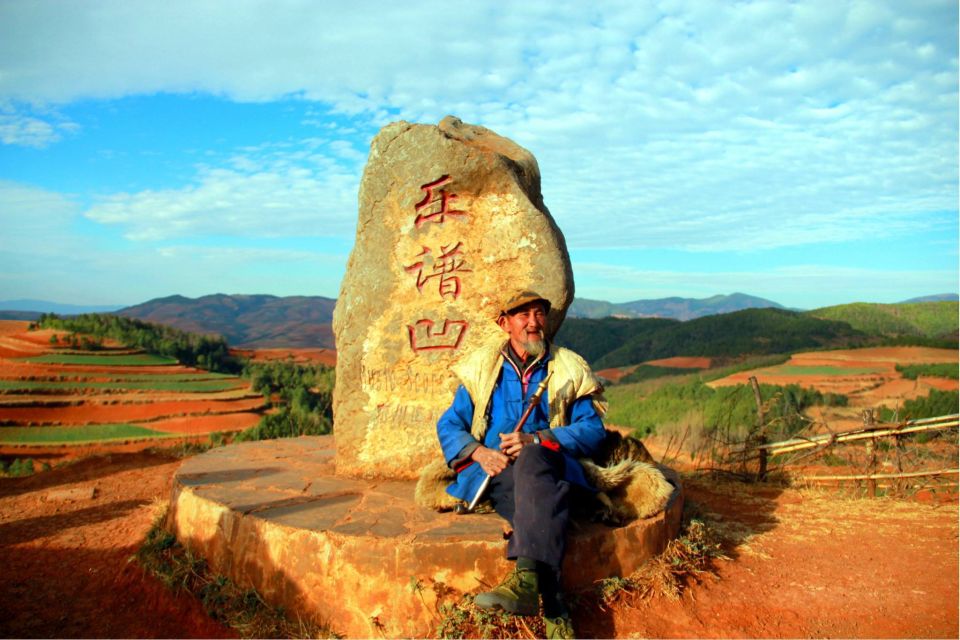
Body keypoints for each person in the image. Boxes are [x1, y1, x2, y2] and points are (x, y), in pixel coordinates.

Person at [435, 290, 608, 639]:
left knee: (531, 462)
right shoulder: (483, 369)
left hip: (551, 463)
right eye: (522, 315)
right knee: (533, 496)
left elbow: (593, 431)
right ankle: (554, 605)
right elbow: (449, 425)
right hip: (498, 472)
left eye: (539, 313)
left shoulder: (569, 368)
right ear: (505, 323)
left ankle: (526, 582)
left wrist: (539, 439)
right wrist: (480, 453)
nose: (533, 322)